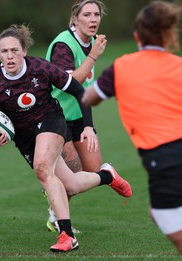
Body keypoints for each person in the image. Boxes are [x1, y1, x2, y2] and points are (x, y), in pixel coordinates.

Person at [82, 1, 182, 260]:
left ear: (136, 37)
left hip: (169, 159)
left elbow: (89, 97)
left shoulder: (121, 67)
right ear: (169, 36)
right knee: (169, 219)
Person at [0, 24, 132, 252]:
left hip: (50, 120)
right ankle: (107, 176)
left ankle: (67, 235)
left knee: (42, 169)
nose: (10, 56)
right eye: (4, 51)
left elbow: (79, 91)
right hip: (25, 137)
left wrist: (88, 126)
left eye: (14, 51)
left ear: (24, 51)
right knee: (72, 184)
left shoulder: (40, 68)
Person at [44, 0, 131, 233]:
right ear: (75, 19)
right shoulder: (64, 44)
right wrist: (93, 57)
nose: (93, 19)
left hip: (80, 116)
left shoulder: (92, 42)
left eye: (97, 14)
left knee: (93, 171)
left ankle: (55, 189)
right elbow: (71, 84)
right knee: (72, 179)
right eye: (87, 15)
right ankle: (56, 218)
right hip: (56, 117)